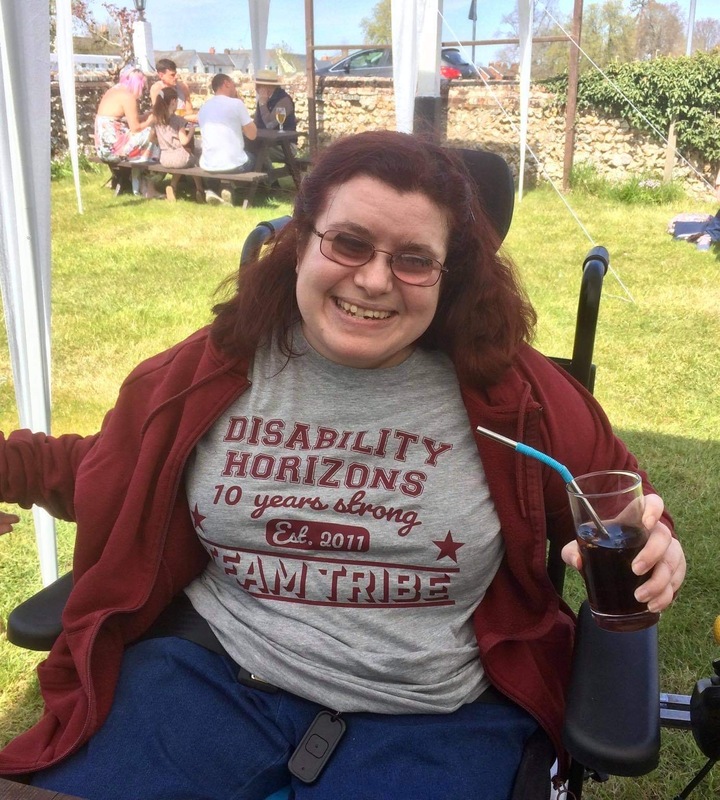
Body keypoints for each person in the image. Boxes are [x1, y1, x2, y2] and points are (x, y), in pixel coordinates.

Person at [0, 131, 685, 800]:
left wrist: (658, 547)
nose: (376, 280)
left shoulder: (518, 399)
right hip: (208, 678)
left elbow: (622, 509)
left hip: (437, 715)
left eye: (414, 259)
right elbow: (111, 468)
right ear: (301, 242)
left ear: (450, 276)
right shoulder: (210, 371)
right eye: (349, 242)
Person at [94, 65, 162, 199]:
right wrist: (151, 120)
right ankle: (147, 184)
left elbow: (130, 121)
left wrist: (146, 116)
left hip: (103, 146)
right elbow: (136, 128)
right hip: (114, 150)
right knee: (153, 134)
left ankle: (137, 180)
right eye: (142, 87)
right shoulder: (128, 96)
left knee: (148, 135)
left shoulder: (115, 90)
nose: (143, 90)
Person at [198, 72, 257, 205]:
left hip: (208, 164)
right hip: (233, 164)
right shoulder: (236, 104)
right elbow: (252, 135)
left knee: (225, 158)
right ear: (227, 83)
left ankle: (215, 190)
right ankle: (232, 189)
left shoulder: (204, 107)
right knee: (254, 158)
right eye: (234, 84)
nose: (235, 88)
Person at [152, 87, 205, 203]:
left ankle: (173, 187)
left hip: (165, 158)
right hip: (179, 157)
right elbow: (184, 141)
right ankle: (199, 190)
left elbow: (153, 138)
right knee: (194, 160)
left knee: (180, 165)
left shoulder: (157, 120)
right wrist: (191, 131)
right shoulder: (178, 120)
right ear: (173, 102)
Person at [250, 69, 297, 163]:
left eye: (258, 85)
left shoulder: (284, 100)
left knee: (259, 150)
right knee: (248, 147)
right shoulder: (263, 100)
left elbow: (269, 124)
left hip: (285, 146)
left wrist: (263, 103)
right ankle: (266, 176)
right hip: (267, 142)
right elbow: (257, 123)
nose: (256, 88)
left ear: (267, 87)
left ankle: (268, 177)